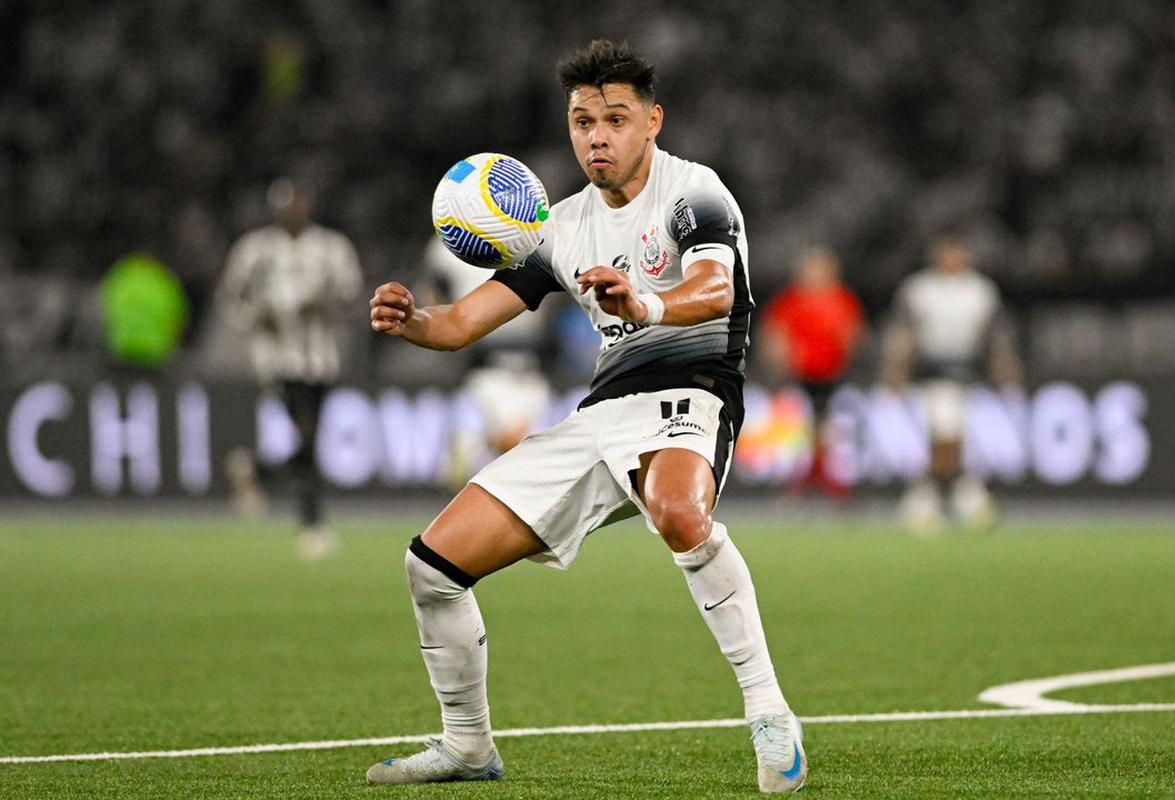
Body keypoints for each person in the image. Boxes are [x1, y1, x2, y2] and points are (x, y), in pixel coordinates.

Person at [365, 40, 806, 794]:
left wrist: (647, 303)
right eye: (582, 121)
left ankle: (770, 712)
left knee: (677, 511)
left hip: (692, 388)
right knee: (431, 567)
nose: (596, 135)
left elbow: (716, 290)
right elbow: (465, 322)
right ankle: (468, 746)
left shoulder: (695, 192)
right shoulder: (557, 226)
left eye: (615, 118)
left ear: (653, 122)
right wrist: (416, 320)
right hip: (603, 413)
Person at [217, 178, 363, 559]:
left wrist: (324, 305)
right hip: (278, 359)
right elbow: (231, 297)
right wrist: (254, 316)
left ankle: (257, 470)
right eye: (287, 205)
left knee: (308, 440)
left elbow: (351, 296)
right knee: (307, 433)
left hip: (322, 358)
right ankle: (311, 525)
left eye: (299, 203)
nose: (294, 211)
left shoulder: (332, 247)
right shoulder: (255, 250)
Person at [880, 234, 1022, 534]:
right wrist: (896, 370)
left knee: (952, 443)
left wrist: (1004, 366)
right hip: (933, 374)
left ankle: (931, 499)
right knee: (945, 440)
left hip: (968, 374)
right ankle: (960, 498)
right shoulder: (920, 289)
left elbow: (994, 333)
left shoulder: (980, 289)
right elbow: (905, 332)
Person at [419, 235, 553, 482]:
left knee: (523, 446)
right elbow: (434, 295)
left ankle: (472, 446)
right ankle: (472, 448)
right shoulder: (448, 240)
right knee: (520, 442)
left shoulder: (534, 232)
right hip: (489, 363)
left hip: (532, 363)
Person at [759, 246, 865, 498]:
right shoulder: (790, 300)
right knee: (802, 430)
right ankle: (805, 481)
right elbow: (774, 332)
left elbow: (854, 333)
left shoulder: (841, 299)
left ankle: (825, 482)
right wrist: (780, 359)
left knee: (827, 431)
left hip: (832, 375)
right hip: (800, 375)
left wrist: (849, 349)